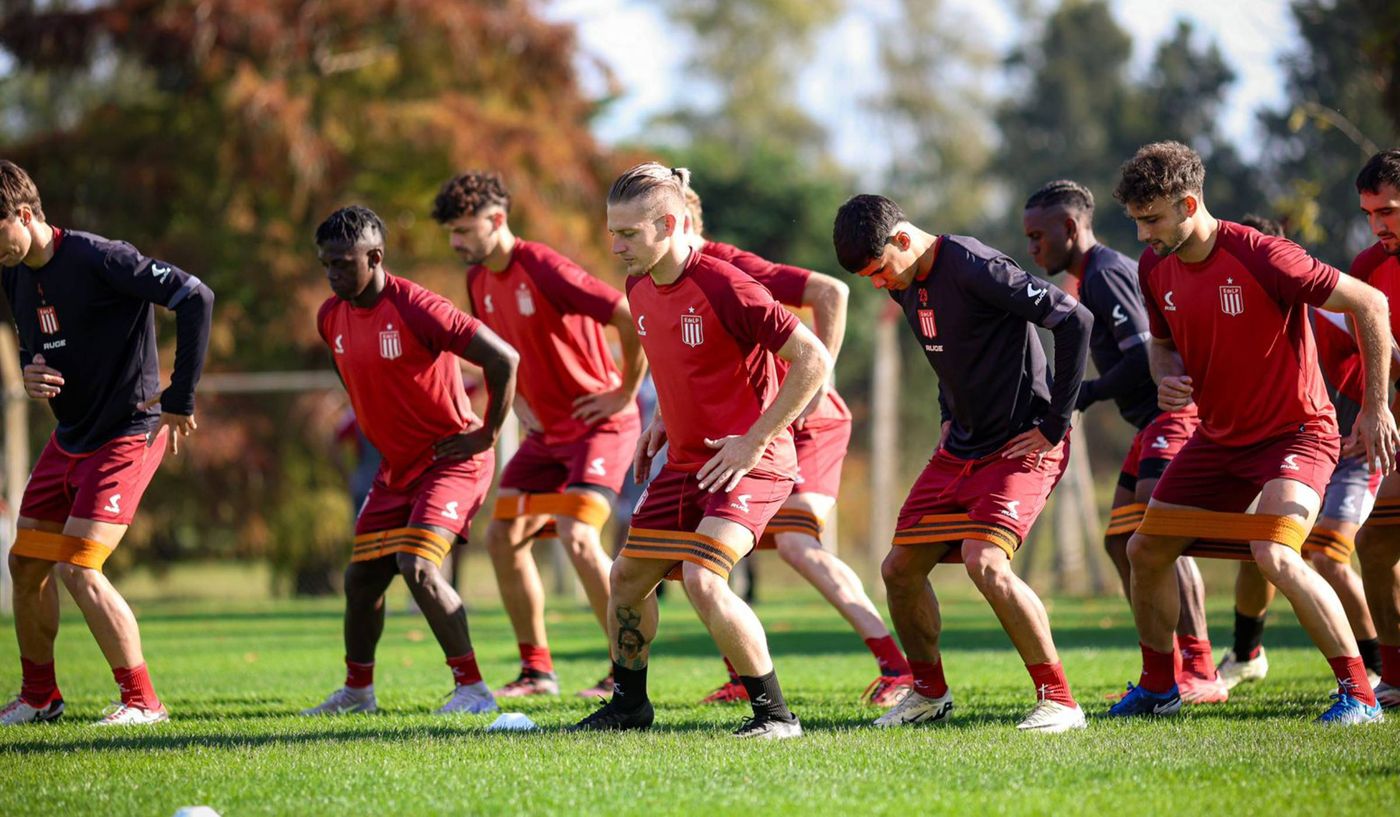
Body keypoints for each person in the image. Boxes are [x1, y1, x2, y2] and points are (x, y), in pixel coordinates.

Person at [1107, 141, 1395, 725]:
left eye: (1153, 220)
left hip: (1298, 435)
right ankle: (1159, 686)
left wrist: (1374, 408)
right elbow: (1163, 345)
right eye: (1136, 222)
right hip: (1218, 441)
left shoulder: (1264, 254)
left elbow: (1369, 304)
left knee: (1274, 551)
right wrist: (1168, 379)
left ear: (1189, 204)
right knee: (1145, 546)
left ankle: (1358, 695)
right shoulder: (1152, 265)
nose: (1143, 236)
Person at [569, 163, 831, 738]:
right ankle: (630, 707)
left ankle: (775, 716)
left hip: (751, 463)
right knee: (628, 578)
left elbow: (812, 357)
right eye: (612, 232)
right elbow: (681, 364)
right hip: (685, 462)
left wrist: (755, 438)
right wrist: (660, 420)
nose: (615, 246)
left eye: (628, 234)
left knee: (701, 577)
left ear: (670, 223)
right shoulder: (638, 286)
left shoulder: (725, 284)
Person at [832, 193, 1093, 733]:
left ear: (903, 239)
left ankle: (1060, 700)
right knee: (898, 570)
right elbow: (946, 356)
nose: (880, 284)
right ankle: (929, 694)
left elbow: (1074, 321)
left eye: (880, 270)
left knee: (984, 562)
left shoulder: (977, 266)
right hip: (962, 449)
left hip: (1023, 444)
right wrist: (947, 414)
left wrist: (1054, 424)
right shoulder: (906, 282)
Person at [0, 159, 214, 725]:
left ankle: (144, 702)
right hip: (69, 438)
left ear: (24, 215)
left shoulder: (101, 257)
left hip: (126, 433)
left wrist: (180, 398)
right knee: (25, 564)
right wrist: (30, 371)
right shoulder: (13, 271)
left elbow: (196, 297)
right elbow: (34, 342)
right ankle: (40, 696)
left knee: (78, 567)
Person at [685, 187, 912, 707]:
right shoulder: (659, 282)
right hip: (757, 424)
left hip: (805, 419)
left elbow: (831, 291)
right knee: (694, 547)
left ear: (676, 223)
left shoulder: (721, 264)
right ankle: (743, 674)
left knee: (795, 543)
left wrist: (820, 376)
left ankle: (897, 667)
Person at [431, 171, 646, 699]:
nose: (457, 242)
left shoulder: (543, 267)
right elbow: (501, 353)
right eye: (451, 233)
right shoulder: (479, 279)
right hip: (546, 436)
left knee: (577, 536)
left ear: (497, 220)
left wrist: (623, 393)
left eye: (464, 230)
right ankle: (537, 671)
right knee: (501, 537)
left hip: (601, 427)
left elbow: (626, 314)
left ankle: (624, 671)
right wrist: (520, 404)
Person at [302, 206, 517, 716]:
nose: (332, 275)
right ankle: (357, 694)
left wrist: (486, 433)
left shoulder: (419, 307)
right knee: (361, 580)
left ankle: (473, 690)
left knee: (416, 566)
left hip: (452, 459)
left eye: (342, 264)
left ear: (375, 257)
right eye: (326, 265)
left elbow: (503, 358)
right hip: (395, 470)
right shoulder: (330, 316)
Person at [1022, 180, 1223, 703]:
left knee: (1161, 541)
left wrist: (1081, 395)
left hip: (1172, 417)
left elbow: (1142, 358)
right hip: (1148, 425)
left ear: (1070, 228)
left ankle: (1201, 669)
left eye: (1038, 236)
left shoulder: (1107, 273)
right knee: (1120, 542)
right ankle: (1168, 666)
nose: (1032, 248)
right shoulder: (1089, 278)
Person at [1217, 214, 1386, 692]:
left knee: (1326, 556)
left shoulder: (1329, 305)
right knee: (1262, 544)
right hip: (1288, 447)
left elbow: (1391, 356)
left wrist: (1375, 415)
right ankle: (1246, 653)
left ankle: (1377, 669)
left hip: (1352, 450)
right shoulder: (1233, 308)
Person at [1347, 149, 1400, 708]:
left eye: (1388, 211)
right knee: (1377, 543)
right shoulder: (1366, 271)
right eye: (1368, 213)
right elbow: (1368, 355)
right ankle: (1396, 676)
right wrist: (1370, 410)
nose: (1378, 224)